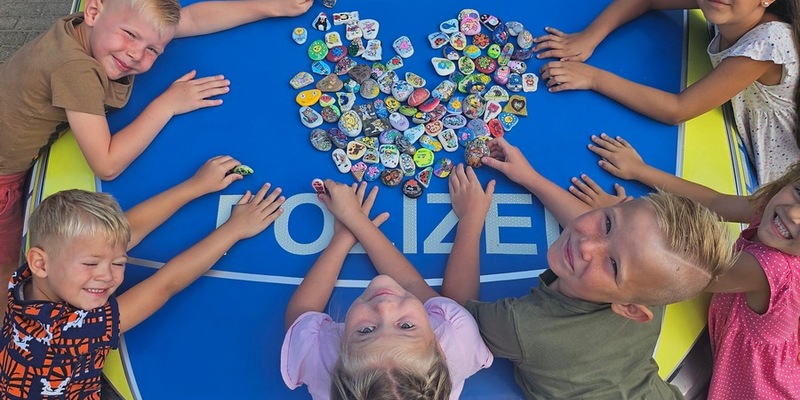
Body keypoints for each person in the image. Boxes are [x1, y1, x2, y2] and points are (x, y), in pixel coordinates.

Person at [0, 0, 312, 300]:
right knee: (10, 264)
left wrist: (270, 6)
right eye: (130, 35)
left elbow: (191, 19)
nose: (135, 54)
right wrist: (167, 104)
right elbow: (107, 163)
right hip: (4, 181)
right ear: (93, 11)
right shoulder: (75, 70)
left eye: (153, 49)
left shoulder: (96, 26)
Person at [444, 136, 735, 399]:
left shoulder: (525, 326)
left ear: (631, 309)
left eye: (613, 265)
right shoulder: (650, 285)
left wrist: (471, 219)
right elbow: (612, 237)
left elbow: (454, 315)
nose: (586, 245)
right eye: (607, 222)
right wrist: (530, 177)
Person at [0, 179, 284, 399]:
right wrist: (234, 229)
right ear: (41, 263)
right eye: (90, 263)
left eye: (118, 263)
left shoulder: (25, 278)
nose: (107, 276)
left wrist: (196, 186)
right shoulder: (74, 330)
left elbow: (127, 231)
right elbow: (166, 284)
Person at [576, 133, 800, 398]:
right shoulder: (776, 209)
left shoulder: (769, 267)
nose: (793, 213)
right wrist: (640, 169)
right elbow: (715, 203)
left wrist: (625, 218)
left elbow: (681, 270)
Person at [535, 0, 800, 185]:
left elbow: (677, 109)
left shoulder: (769, 42)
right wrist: (589, 36)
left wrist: (592, 77)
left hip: (776, 169)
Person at [281, 171, 495, 400]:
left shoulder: (320, 361)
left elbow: (300, 316)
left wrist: (344, 235)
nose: (385, 306)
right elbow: (419, 287)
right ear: (440, 349)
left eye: (366, 331)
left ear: (339, 358)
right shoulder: (456, 338)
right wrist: (471, 220)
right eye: (406, 326)